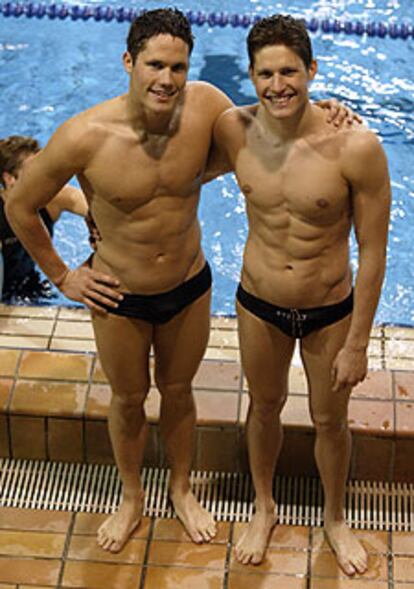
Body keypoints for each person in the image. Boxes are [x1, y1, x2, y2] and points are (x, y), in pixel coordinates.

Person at [6, 8, 356, 554]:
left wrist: (329, 110)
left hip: (189, 286)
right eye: (154, 65)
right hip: (118, 295)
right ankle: (130, 498)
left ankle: (182, 487)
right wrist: (63, 275)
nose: (166, 79)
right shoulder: (84, 136)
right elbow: (21, 204)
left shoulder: (207, 107)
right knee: (127, 399)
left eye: (177, 66)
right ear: (129, 61)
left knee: (178, 393)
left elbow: (271, 128)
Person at [214, 14, 390, 575]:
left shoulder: (355, 147)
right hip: (258, 301)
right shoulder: (231, 129)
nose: (277, 85)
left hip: (329, 311)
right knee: (262, 407)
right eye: (265, 73)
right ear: (251, 75)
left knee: (330, 420)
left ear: (312, 70)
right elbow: (168, 169)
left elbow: (375, 249)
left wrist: (358, 342)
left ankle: (335, 518)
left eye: (289, 71)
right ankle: (264, 507)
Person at [0, 135, 88, 301]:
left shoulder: (53, 199)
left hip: (29, 284)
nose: (44, 177)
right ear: (10, 179)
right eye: (34, 171)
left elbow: (99, 209)